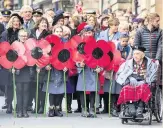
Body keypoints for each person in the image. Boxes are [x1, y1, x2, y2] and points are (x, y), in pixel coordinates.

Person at [116, 46, 159, 118]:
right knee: (126, 88)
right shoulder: (128, 63)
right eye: (134, 54)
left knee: (143, 88)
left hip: (144, 82)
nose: (135, 56)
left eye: (137, 54)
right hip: (131, 81)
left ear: (142, 55)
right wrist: (129, 78)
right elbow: (121, 73)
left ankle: (140, 109)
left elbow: (154, 74)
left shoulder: (150, 63)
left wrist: (145, 81)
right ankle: (130, 108)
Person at [0, 13, 24, 114]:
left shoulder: (22, 32)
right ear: (11, 22)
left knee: (19, 85)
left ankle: (19, 105)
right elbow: (2, 46)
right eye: (14, 21)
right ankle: (9, 104)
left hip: (20, 60)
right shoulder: (5, 33)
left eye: (17, 22)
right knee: (9, 85)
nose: (16, 23)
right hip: (7, 60)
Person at [42, 26, 66, 117]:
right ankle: (51, 108)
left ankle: (57, 108)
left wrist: (66, 66)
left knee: (60, 90)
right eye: (57, 31)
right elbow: (44, 54)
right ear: (53, 32)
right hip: (51, 68)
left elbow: (68, 55)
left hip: (61, 68)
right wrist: (46, 65)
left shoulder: (65, 42)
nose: (59, 33)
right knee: (52, 89)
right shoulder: (48, 42)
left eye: (61, 31)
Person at [29, 17, 50, 114]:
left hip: (44, 62)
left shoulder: (48, 35)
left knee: (42, 86)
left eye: (45, 23)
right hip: (33, 62)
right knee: (34, 86)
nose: (44, 24)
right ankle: (36, 105)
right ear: (38, 24)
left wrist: (47, 63)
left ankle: (42, 106)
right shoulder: (32, 33)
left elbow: (50, 50)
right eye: (42, 22)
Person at [13, 29, 30, 118]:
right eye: (22, 36)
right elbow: (11, 57)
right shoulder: (15, 45)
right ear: (18, 36)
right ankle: (19, 110)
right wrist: (12, 68)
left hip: (27, 69)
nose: (24, 37)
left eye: (25, 36)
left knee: (26, 90)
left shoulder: (30, 45)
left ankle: (25, 110)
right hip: (18, 69)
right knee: (19, 90)